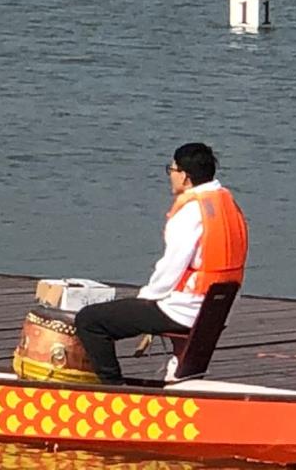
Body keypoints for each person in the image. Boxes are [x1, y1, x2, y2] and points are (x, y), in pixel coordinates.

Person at [74, 142, 248, 384]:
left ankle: (113, 388)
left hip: (185, 310)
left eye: (172, 170)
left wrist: (146, 297)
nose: (170, 176)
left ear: (185, 176)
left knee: (90, 320)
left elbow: (172, 267)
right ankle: (180, 376)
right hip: (219, 309)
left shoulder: (191, 212)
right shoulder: (227, 204)